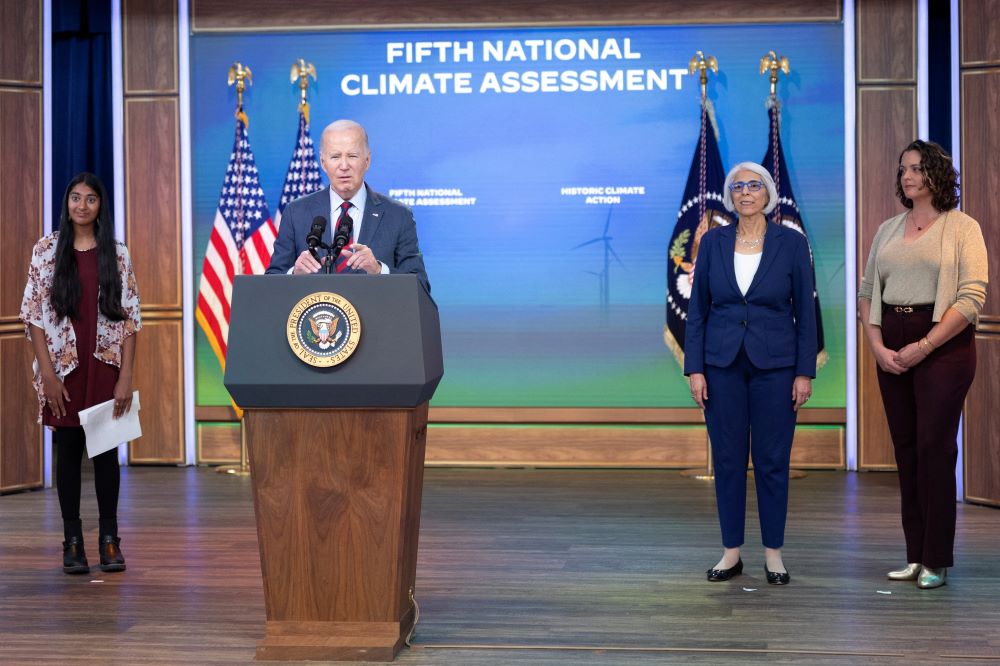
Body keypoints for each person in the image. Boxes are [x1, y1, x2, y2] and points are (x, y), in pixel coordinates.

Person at [858, 140, 987, 589]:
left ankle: (937, 559)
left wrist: (925, 346)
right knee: (907, 451)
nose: (907, 176)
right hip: (891, 345)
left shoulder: (963, 227)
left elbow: (972, 299)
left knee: (935, 449)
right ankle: (914, 555)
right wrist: (876, 346)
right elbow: (867, 291)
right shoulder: (887, 229)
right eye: (902, 170)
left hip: (943, 346)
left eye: (916, 168)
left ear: (936, 174)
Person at [684, 162, 817, 585]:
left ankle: (773, 554)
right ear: (730, 195)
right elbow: (698, 311)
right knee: (727, 459)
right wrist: (695, 369)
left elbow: (806, 314)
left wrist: (804, 372)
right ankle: (731, 553)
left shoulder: (791, 243)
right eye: (737, 186)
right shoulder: (712, 243)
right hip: (721, 366)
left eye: (753, 186)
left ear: (768, 194)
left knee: (772, 460)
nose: (744, 192)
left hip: (776, 367)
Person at [20, 172, 142, 575]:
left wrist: (126, 376)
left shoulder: (118, 254)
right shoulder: (46, 250)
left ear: (100, 205)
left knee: (107, 453)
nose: (82, 205)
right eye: (75, 198)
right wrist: (50, 375)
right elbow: (33, 316)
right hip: (65, 369)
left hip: (105, 366)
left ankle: (109, 541)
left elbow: (130, 319)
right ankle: (72, 541)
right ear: (66, 203)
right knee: (69, 453)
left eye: (91, 199)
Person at [266, 119, 430, 293]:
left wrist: (379, 270)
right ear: (323, 162)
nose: (344, 166)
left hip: (377, 318)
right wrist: (294, 274)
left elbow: (420, 286)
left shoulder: (398, 215)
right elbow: (271, 281)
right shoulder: (296, 212)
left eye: (352, 156)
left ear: (367, 161)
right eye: (335, 156)